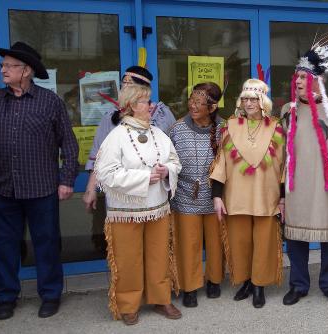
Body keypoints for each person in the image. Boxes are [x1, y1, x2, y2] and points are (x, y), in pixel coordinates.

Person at [0, 42, 79, 319]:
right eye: (3, 65)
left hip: (41, 189)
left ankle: (50, 294)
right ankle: (6, 297)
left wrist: (66, 180)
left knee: (47, 243)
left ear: (26, 70)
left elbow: (70, 144)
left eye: (9, 65)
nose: (2, 69)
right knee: (3, 245)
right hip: (0, 187)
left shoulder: (50, 101)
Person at [280, 34, 328, 307]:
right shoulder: (286, 112)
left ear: (318, 80)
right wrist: (280, 192)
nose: (299, 82)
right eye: (297, 78)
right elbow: (280, 154)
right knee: (296, 237)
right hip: (297, 185)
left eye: (304, 78)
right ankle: (299, 284)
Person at [94, 84, 182, 325]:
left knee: (159, 255)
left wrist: (167, 171)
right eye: (146, 102)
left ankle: (161, 298)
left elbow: (175, 161)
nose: (152, 105)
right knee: (128, 259)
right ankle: (128, 304)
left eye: (150, 101)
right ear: (132, 106)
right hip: (127, 211)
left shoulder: (159, 134)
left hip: (158, 207)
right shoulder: (116, 137)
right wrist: (145, 178)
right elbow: (106, 175)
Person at [210, 79, 285, 308]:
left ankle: (260, 285)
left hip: (266, 195)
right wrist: (217, 196)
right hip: (236, 195)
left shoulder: (276, 127)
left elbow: (283, 164)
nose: (249, 103)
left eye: (254, 98)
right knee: (239, 241)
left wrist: (283, 197)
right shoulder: (230, 126)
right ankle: (245, 281)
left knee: (263, 242)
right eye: (245, 99)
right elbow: (221, 161)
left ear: (263, 101)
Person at [83, 66, 176, 211]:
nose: (124, 87)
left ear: (143, 88)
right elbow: (99, 157)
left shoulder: (162, 114)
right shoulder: (111, 117)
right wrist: (91, 189)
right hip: (123, 196)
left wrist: (167, 172)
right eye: (123, 83)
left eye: (129, 83)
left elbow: (174, 154)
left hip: (156, 195)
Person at [169, 82, 224, 308]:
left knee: (215, 242)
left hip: (215, 196)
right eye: (191, 100)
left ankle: (214, 279)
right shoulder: (177, 129)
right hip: (185, 195)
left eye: (199, 103)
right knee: (188, 243)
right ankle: (190, 286)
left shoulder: (225, 128)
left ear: (211, 107)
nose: (193, 105)